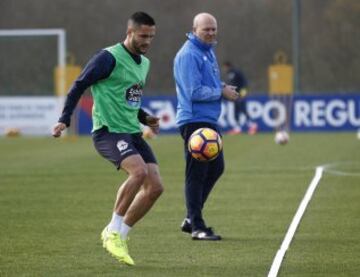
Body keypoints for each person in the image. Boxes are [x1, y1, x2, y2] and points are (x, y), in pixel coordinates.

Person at [52, 12, 163, 266]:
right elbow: (78, 85)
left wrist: (146, 119)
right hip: (108, 131)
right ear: (130, 32)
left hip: (132, 132)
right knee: (138, 172)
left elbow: (128, 99)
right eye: (143, 36)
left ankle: (121, 235)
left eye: (151, 37)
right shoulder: (108, 58)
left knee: (155, 187)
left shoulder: (144, 63)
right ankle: (113, 229)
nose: (147, 41)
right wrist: (64, 119)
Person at [173, 13, 239, 240]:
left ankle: (192, 218)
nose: (210, 33)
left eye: (213, 29)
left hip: (208, 120)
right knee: (196, 172)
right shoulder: (188, 55)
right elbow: (193, 91)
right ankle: (198, 227)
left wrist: (222, 86)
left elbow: (207, 83)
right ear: (194, 29)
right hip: (194, 120)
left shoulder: (208, 51)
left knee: (216, 168)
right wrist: (221, 92)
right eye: (206, 29)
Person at [222, 61, 258, 135]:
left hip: (240, 94)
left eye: (224, 67)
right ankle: (237, 129)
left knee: (243, 109)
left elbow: (244, 82)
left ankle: (252, 125)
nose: (224, 69)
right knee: (236, 110)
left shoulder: (236, 72)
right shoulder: (230, 73)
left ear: (227, 66)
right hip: (235, 95)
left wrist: (243, 92)